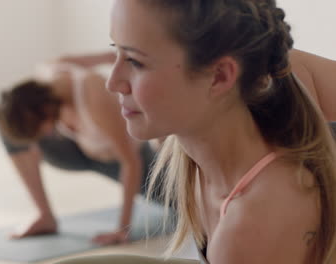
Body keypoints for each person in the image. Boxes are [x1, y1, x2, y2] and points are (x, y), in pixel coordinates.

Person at [102, 0, 336, 263]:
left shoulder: (251, 226)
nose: (113, 83)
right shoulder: (198, 161)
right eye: (116, 51)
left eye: (135, 61)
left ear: (220, 76)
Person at [0, 52, 160, 245]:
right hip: (82, 150)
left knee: (181, 200)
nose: (45, 136)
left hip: (122, 161)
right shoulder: (51, 70)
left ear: (44, 110)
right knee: (10, 131)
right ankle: (44, 216)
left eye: (42, 129)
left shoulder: (93, 95)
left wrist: (122, 229)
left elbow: (131, 162)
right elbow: (111, 56)